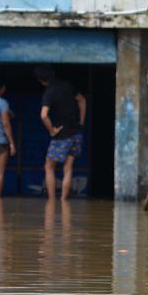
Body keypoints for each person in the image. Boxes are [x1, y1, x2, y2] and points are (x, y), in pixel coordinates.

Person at [35, 65, 86, 200]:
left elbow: (44, 115)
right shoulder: (67, 85)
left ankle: (51, 201)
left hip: (62, 135)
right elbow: (82, 100)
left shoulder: (49, 92)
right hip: (77, 134)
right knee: (68, 168)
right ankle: (64, 201)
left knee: (49, 166)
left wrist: (52, 130)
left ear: (40, 80)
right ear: (53, 74)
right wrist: (81, 122)